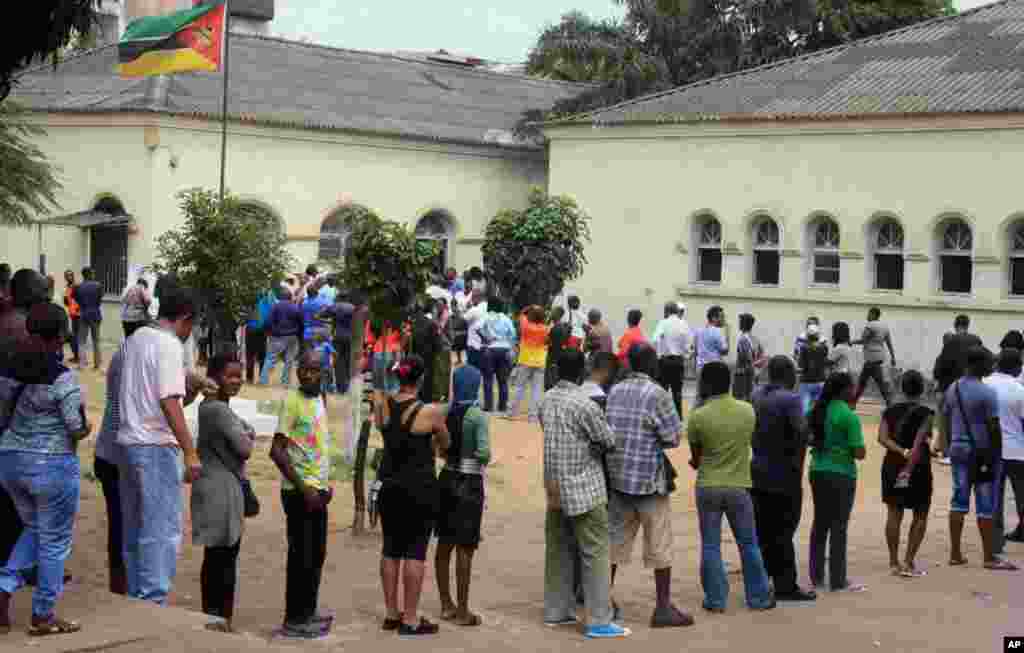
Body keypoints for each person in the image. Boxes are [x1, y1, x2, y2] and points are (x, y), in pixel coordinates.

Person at [0, 303, 91, 636]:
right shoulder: (63, 377)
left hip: (10, 461)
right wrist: (86, 427)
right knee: (54, 541)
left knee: (35, 529)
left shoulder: (8, 370)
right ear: (60, 338)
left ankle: (3, 586)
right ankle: (44, 615)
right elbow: (75, 426)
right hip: (51, 466)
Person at [117, 286, 201, 606]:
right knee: (162, 527)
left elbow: (160, 393)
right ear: (185, 319)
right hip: (154, 445)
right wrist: (190, 451)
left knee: (137, 525)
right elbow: (168, 401)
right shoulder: (168, 345)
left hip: (130, 442)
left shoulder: (137, 339)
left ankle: (138, 594)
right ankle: (152, 599)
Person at [539, 350, 629, 639]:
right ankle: (599, 620)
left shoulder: (546, 400)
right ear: (582, 372)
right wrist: (592, 448)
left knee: (558, 552)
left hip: (554, 486)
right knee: (595, 553)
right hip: (584, 488)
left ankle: (557, 611)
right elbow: (608, 440)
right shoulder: (584, 404)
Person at [606, 344, 693, 628]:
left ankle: (601, 599)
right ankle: (663, 607)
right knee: (659, 544)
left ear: (630, 364)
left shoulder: (615, 391)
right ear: (653, 365)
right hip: (648, 481)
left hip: (618, 478)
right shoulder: (658, 395)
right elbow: (672, 437)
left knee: (613, 544)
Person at [688, 361, 775, 613]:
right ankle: (758, 597)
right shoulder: (747, 410)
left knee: (711, 545)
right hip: (739, 485)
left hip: (708, 485)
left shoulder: (698, 416)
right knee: (748, 543)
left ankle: (716, 599)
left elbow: (697, 458)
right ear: (729, 382)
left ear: (705, 383)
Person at [373, 356, 450, 637]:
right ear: (421, 379)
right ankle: (410, 618)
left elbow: (384, 431)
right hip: (419, 487)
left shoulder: (382, 404)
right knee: (415, 550)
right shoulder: (429, 412)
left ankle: (391, 613)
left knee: (390, 548)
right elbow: (445, 444)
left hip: (389, 484)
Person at [269, 350, 335, 638]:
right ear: (298, 372)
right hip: (299, 493)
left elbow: (315, 446)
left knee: (316, 554)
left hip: (317, 491)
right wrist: (304, 487)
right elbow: (277, 451)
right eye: (304, 369)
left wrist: (322, 484)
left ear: (324, 373)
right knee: (301, 556)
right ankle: (294, 619)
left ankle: (308, 611)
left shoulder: (320, 399)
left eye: (315, 370)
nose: (309, 375)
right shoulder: (292, 402)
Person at [192, 352, 254, 632]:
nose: (236, 380)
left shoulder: (211, 407)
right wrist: (247, 433)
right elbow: (245, 448)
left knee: (215, 557)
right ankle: (220, 619)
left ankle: (212, 615)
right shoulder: (218, 409)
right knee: (224, 559)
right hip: (223, 489)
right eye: (230, 375)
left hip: (213, 486)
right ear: (215, 377)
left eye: (239, 375)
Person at [940, 346, 1016, 570]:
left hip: (957, 450)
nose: (991, 367)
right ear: (977, 364)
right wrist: (998, 455)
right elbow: (993, 427)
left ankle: (955, 553)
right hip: (981, 454)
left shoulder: (952, 389)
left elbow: (945, 417)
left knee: (958, 500)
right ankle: (988, 557)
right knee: (985, 505)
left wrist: (947, 445)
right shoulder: (987, 393)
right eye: (987, 363)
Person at [750, 356, 816, 601]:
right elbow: (801, 432)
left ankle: (762, 577)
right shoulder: (791, 399)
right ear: (789, 375)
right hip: (784, 473)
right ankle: (785, 585)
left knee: (763, 529)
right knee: (784, 529)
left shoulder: (757, 395)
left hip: (757, 470)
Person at [435, 365, 490, 627]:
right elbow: (484, 453)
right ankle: (463, 611)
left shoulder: (444, 412)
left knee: (444, 543)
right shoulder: (477, 416)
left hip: (446, 478)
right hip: (469, 482)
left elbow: (438, 447)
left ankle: (446, 604)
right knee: (465, 547)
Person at [807, 372, 867, 592]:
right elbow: (859, 452)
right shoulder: (849, 416)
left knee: (820, 523)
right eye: (851, 387)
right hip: (842, 473)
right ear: (844, 390)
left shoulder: (816, 410)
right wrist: (859, 450)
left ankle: (816, 577)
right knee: (839, 527)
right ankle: (837, 579)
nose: (854, 391)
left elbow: (805, 435)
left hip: (818, 470)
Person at [877, 370, 934, 578]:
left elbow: (882, 439)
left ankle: (893, 561)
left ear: (902, 388)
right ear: (922, 389)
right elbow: (919, 442)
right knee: (920, 512)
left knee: (894, 512)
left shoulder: (889, 411)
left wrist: (900, 451)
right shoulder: (926, 413)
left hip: (892, 465)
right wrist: (909, 464)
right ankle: (909, 561)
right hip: (918, 467)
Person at [933, 315, 983, 465]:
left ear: (955, 325)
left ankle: (948, 453)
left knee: (946, 419)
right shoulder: (976, 340)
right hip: (973, 384)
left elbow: (942, 366)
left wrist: (939, 381)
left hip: (952, 386)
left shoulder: (951, 341)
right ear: (968, 325)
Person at [988, 348, 1024, 547]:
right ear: (1015, 366)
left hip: (991, 450)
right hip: (1017, 450)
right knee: (1022, 493)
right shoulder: (1019, 390)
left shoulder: (985, 384)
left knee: (995, 497)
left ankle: (995, 540)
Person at [508, 306, 550, 422]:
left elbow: (521, 314)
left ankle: (511, 413)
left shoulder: (525, 326)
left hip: (525, 360)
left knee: (519, 387)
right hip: (540, 361)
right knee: (536, 390)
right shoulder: (546, 329)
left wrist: (528, 308)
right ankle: (533, 416)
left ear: (531, 316)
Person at [852, 307, 895, 406]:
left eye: (869, 314)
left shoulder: (870, 326)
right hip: (879, 358)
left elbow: (863, 340)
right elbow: (889, 343)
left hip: (871, 359)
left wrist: (851, 342)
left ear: (873, 315)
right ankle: (889, 402)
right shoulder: (885, 326)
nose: (867, 316)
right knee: (878, 383)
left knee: (862, 382)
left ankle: (853, 402)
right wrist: (893, 357)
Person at [480, 297, 516, 414]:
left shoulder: (486, 317)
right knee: (503, 380)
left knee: (488, 379)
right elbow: (513, 334)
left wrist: (486, 338)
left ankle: (488, 406)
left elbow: (478, 328)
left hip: (490, 349)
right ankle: (502, 406)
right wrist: (509, 344)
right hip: (504, 350)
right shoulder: (506, 319)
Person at [261, 287, 303, 386]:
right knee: (289, 360)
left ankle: (263, 381)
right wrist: (298, 334)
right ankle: (285, 382)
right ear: (290, 297)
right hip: (292, 337)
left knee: (270, 358)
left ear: (281, 297)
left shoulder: (275, 306)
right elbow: (301, 323)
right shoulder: (295, 307)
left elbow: (268, 321)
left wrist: (271, 331)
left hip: (277, 336)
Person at [654, 302, 690, 416]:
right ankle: (679, 417)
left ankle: (662, 416)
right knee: (677, 392)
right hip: (678, 361)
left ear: (666, 311)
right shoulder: (683, 324)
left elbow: (655, 340)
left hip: (664, 361)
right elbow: (689, 343)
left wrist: (659, 353)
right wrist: (685, 355)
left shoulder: (663, 323)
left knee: (662, 391)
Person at [318, 292, 355, 395]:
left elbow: (318, 315)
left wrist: (329, 322)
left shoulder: (333, 306)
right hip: (349, 336)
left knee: (338, 362)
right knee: (347, 361)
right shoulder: (352, 308)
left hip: (337, 336)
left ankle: (340, 387)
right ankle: (346, 387)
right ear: (347, 298)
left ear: (338, 298)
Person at [73, 268, 104, 370]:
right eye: (93, 273)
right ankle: (97, 364)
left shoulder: (78, 286)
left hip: (83, 314)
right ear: (90, 274)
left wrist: (83, 305)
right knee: (96, 340)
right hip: (95, 313)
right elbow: (99, 300)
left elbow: (76, 298)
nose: (94, 275)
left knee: (81, 340)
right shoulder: (98, 285)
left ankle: (81, 364)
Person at [244, 289, 276, 385]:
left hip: (252, 328)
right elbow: (272, 310)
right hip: (262, 329)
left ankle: (250, 378)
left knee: (250, 354)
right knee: (262, 354)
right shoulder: (270, 295)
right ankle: (261, 378)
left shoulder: (250, 295)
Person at [733, 313, 765, 402]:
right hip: (753, 374)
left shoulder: (743, 339)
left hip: (743, 375)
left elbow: (746, 358)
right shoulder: (755, 339)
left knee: (742, 401)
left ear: (743, 324)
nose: (739, 324)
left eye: (740, 322)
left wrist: (751, 366)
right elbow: (763, 357)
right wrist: (757, 369)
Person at [798, 325, 829, 414]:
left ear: (807, 336)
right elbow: (826, 362)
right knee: (820, 408)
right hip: (821, 380)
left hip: (806, 382)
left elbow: (801, 365)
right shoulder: (824, 348)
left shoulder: (804, 348)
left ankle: (805, 426)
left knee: (804, 408)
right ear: (818, 335)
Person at [694, 306, 730, 374]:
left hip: (700, 368)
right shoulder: (717, 332)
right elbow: (725, 351)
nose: (723, 319)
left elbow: (696, 352)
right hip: (714, 368)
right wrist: (727, 333)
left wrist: (694, 368)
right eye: (722, 317)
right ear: (714, 318)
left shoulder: (698, 331)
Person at [463, 290, 489, 372]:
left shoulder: (475, 310)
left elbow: (461, 321)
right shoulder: (491, 308)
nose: (471, 301)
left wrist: (467, 309)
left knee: (471, 372)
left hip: (474, 346)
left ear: (477, 298)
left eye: (472, 298)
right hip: (487, 347)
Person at [546, 307, 571, 390]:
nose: (550, 314)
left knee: (549, 383)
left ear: (557, 315)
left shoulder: (556, 328)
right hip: (558, 356)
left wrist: (547, 323)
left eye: (552, 313)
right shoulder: (563, 327)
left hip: (553, 357)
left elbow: (546, 341)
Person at [62, 271, 80, 364]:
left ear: (73, 276)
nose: (68, 277)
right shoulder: (68, 287)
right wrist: (65, 299)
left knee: (75, 336)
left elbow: (80, 299)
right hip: (72, 313)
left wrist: (78, 308)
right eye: (67, 276)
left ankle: (78, 357)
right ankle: (77, 356)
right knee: (75, 336)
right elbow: (66, 301)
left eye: (70, 275)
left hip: (78, 314)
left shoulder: (76, 286)